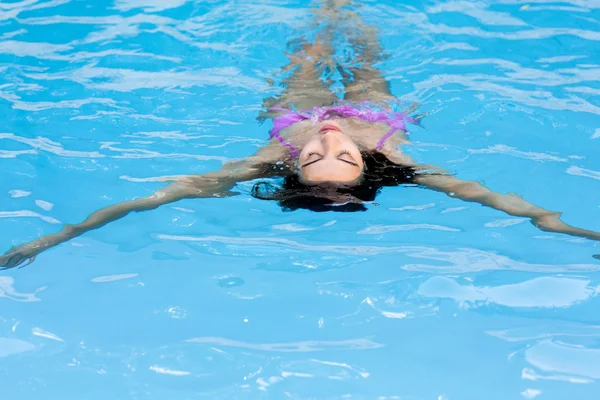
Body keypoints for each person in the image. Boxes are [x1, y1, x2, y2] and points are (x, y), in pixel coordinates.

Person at [1, 0, 599, 269]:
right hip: (380, 111)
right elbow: (497, 200)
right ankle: (349, 14)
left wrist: (56, 238)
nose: (332, 134)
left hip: (291, 108)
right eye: (340, 153)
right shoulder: (393, 156)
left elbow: (154, 198)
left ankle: (320, 20)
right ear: (369, 166)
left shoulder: (269, 156)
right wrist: (559, 226)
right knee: (367, 61)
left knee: (307, 64)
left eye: (317, 154)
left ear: (294, 164)